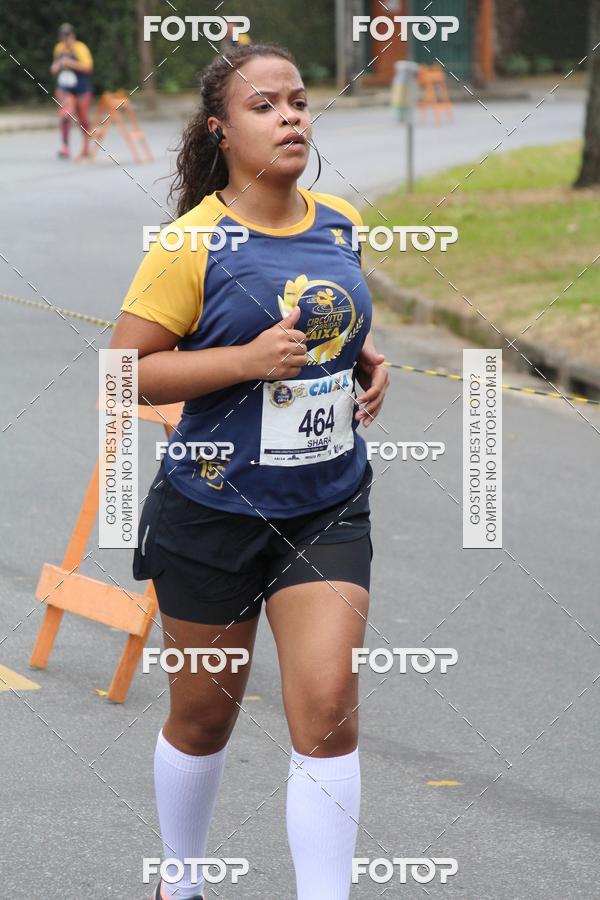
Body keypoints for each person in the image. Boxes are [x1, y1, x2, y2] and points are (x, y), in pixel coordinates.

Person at [110, 41, 389, 900]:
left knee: (328, 707)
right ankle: (183, 881)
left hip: (325, 505)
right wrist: (242, 361)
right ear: (222, 132)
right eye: (265, 106)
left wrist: (364, 356)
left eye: (298, 102)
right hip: (211, 510)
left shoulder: (338, 220)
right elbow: (125, 373)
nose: (291, 117)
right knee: (201, 719)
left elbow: (327, 316)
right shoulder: (191, 242)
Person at [50, 23, 93, 159]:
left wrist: (71, 63)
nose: (65, 40)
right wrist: (56, 66)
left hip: (81, 86)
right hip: (66, 86)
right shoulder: (59, 48)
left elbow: (88, 68)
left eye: (67, 37)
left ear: (72, 36)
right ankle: (65, 147)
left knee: (83, 118)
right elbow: (55, 66)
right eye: (63, 38)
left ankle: (86, 146)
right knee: (65, 115)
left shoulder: (80, 48)